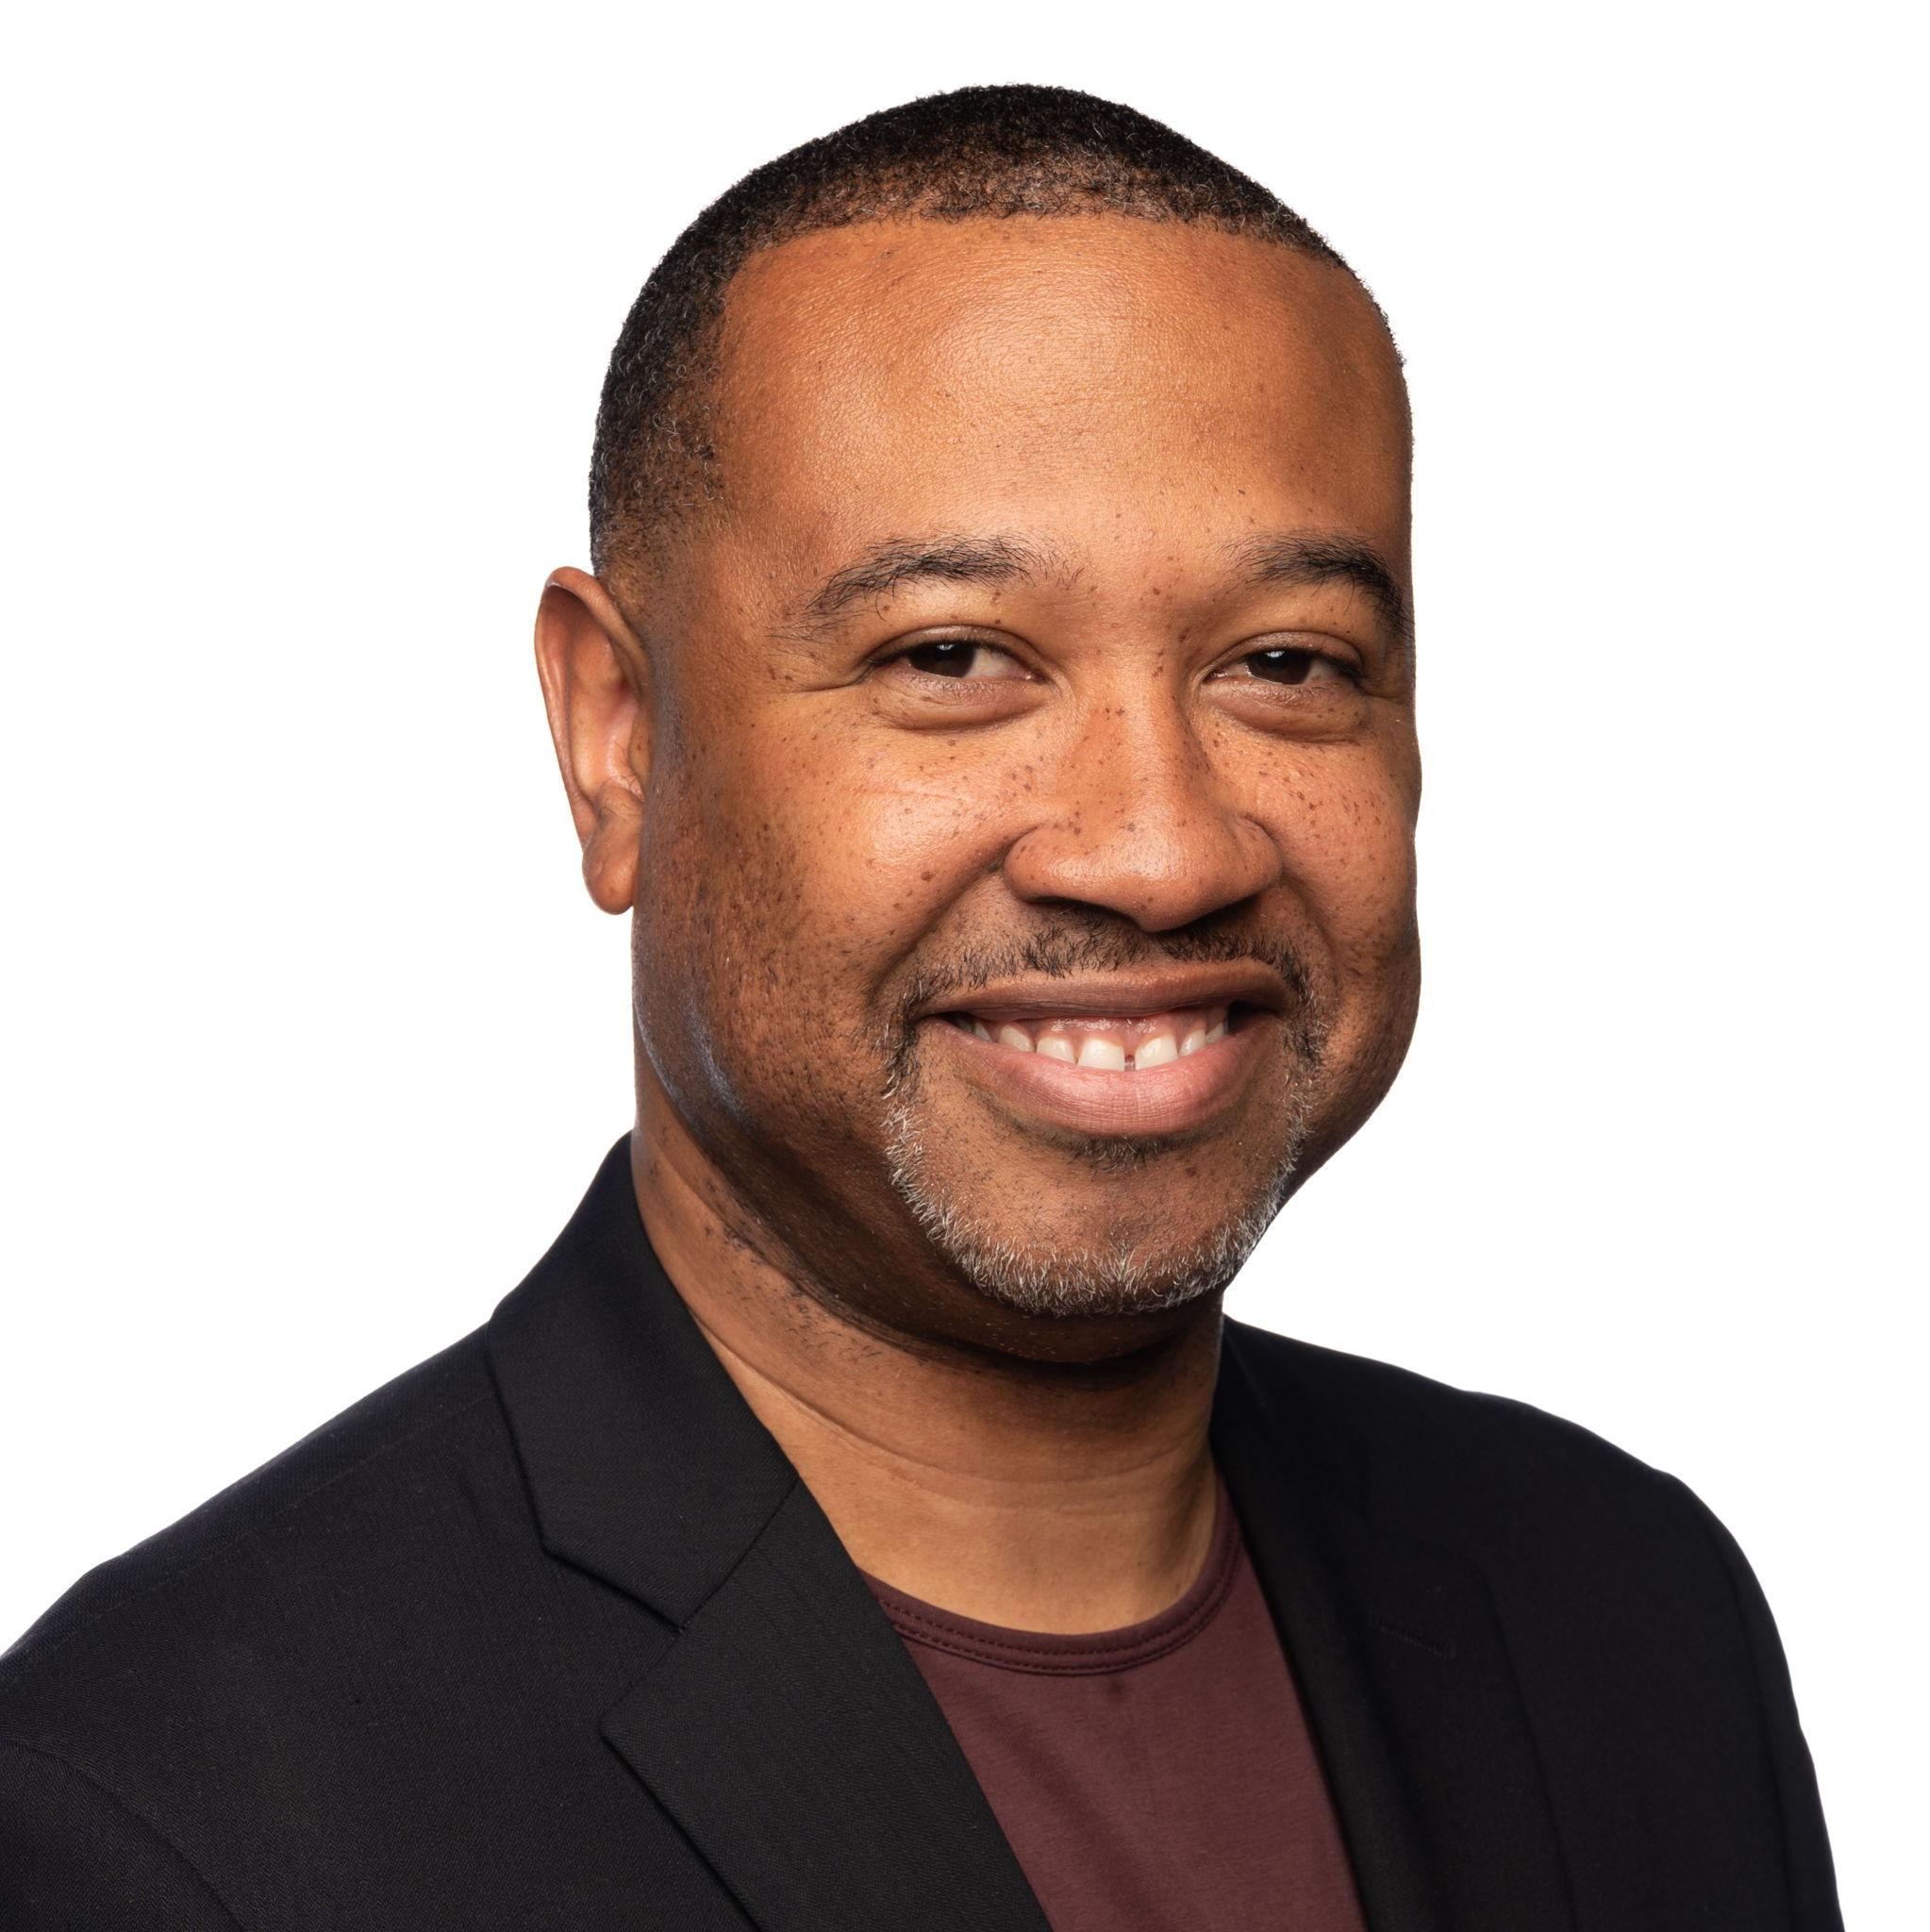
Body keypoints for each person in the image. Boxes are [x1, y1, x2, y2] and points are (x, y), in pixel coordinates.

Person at [0, 84, 1840, 1930]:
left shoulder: (1628, 1617)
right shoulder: (157, 1818)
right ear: (618, 740)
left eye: (1285, 662)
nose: (1158, 849)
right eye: (952, 656)